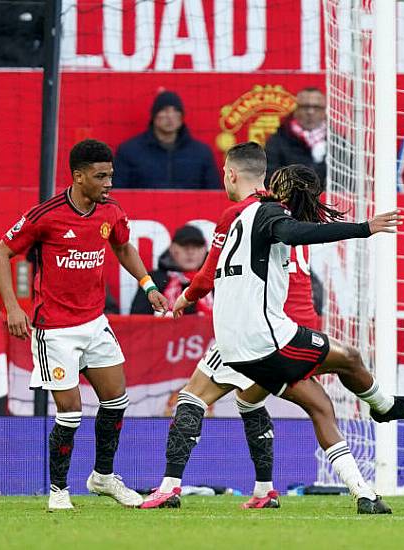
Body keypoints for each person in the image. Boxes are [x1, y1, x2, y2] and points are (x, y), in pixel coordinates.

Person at [138, 145, 376, 512]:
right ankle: (274, 489)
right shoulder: (285, 216)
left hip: (257, 331)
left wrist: (187, 296)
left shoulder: (244, 214)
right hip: (287, 329)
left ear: (232, 174)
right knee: (266, 401)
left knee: (192, 398)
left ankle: (170, 486)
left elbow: (211, 269)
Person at [213, 163, 404, 514]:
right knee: (348, 357)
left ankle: (363, 494)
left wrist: (186, 297)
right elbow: (291, 232)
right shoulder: (271, 212)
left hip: (233, 345)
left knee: (319, 405)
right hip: (267, 338)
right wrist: (365, 228)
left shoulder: (241, 216)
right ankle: (385, 406)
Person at [0, 139, 169, 510]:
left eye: (111, 176)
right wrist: (13, 307)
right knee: (70, 412)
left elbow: (122, 246)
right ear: (78, 176)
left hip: (94, 322)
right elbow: (0, 252)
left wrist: (148, 285)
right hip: (54, 329)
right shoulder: (47, 215)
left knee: (117, 401)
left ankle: (103, 477)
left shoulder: (111, 212)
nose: (108, 183)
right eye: (100, 176)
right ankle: (59, 490)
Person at [113, 91, 221, 189]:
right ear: (154, 115)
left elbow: (213, 192)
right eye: (164, 111)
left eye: (175, 111)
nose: (170, 116)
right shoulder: (130, 151)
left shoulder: (201, 153)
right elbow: (118, 192)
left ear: (181, 117)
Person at [129, 225, 209, 315]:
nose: (190, 252)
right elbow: (137, 320)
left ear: (205, 249)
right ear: (172, 248)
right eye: (184, 246)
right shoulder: (153, 280)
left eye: (196, 246)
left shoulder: (214, 281)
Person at [264, 87, 329, 184]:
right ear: (296, 109)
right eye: (305, 107)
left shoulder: (337, 143)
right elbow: (270, 179)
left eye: (316, 107)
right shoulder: (276, 142)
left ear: (324, 111)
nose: (310, 112)